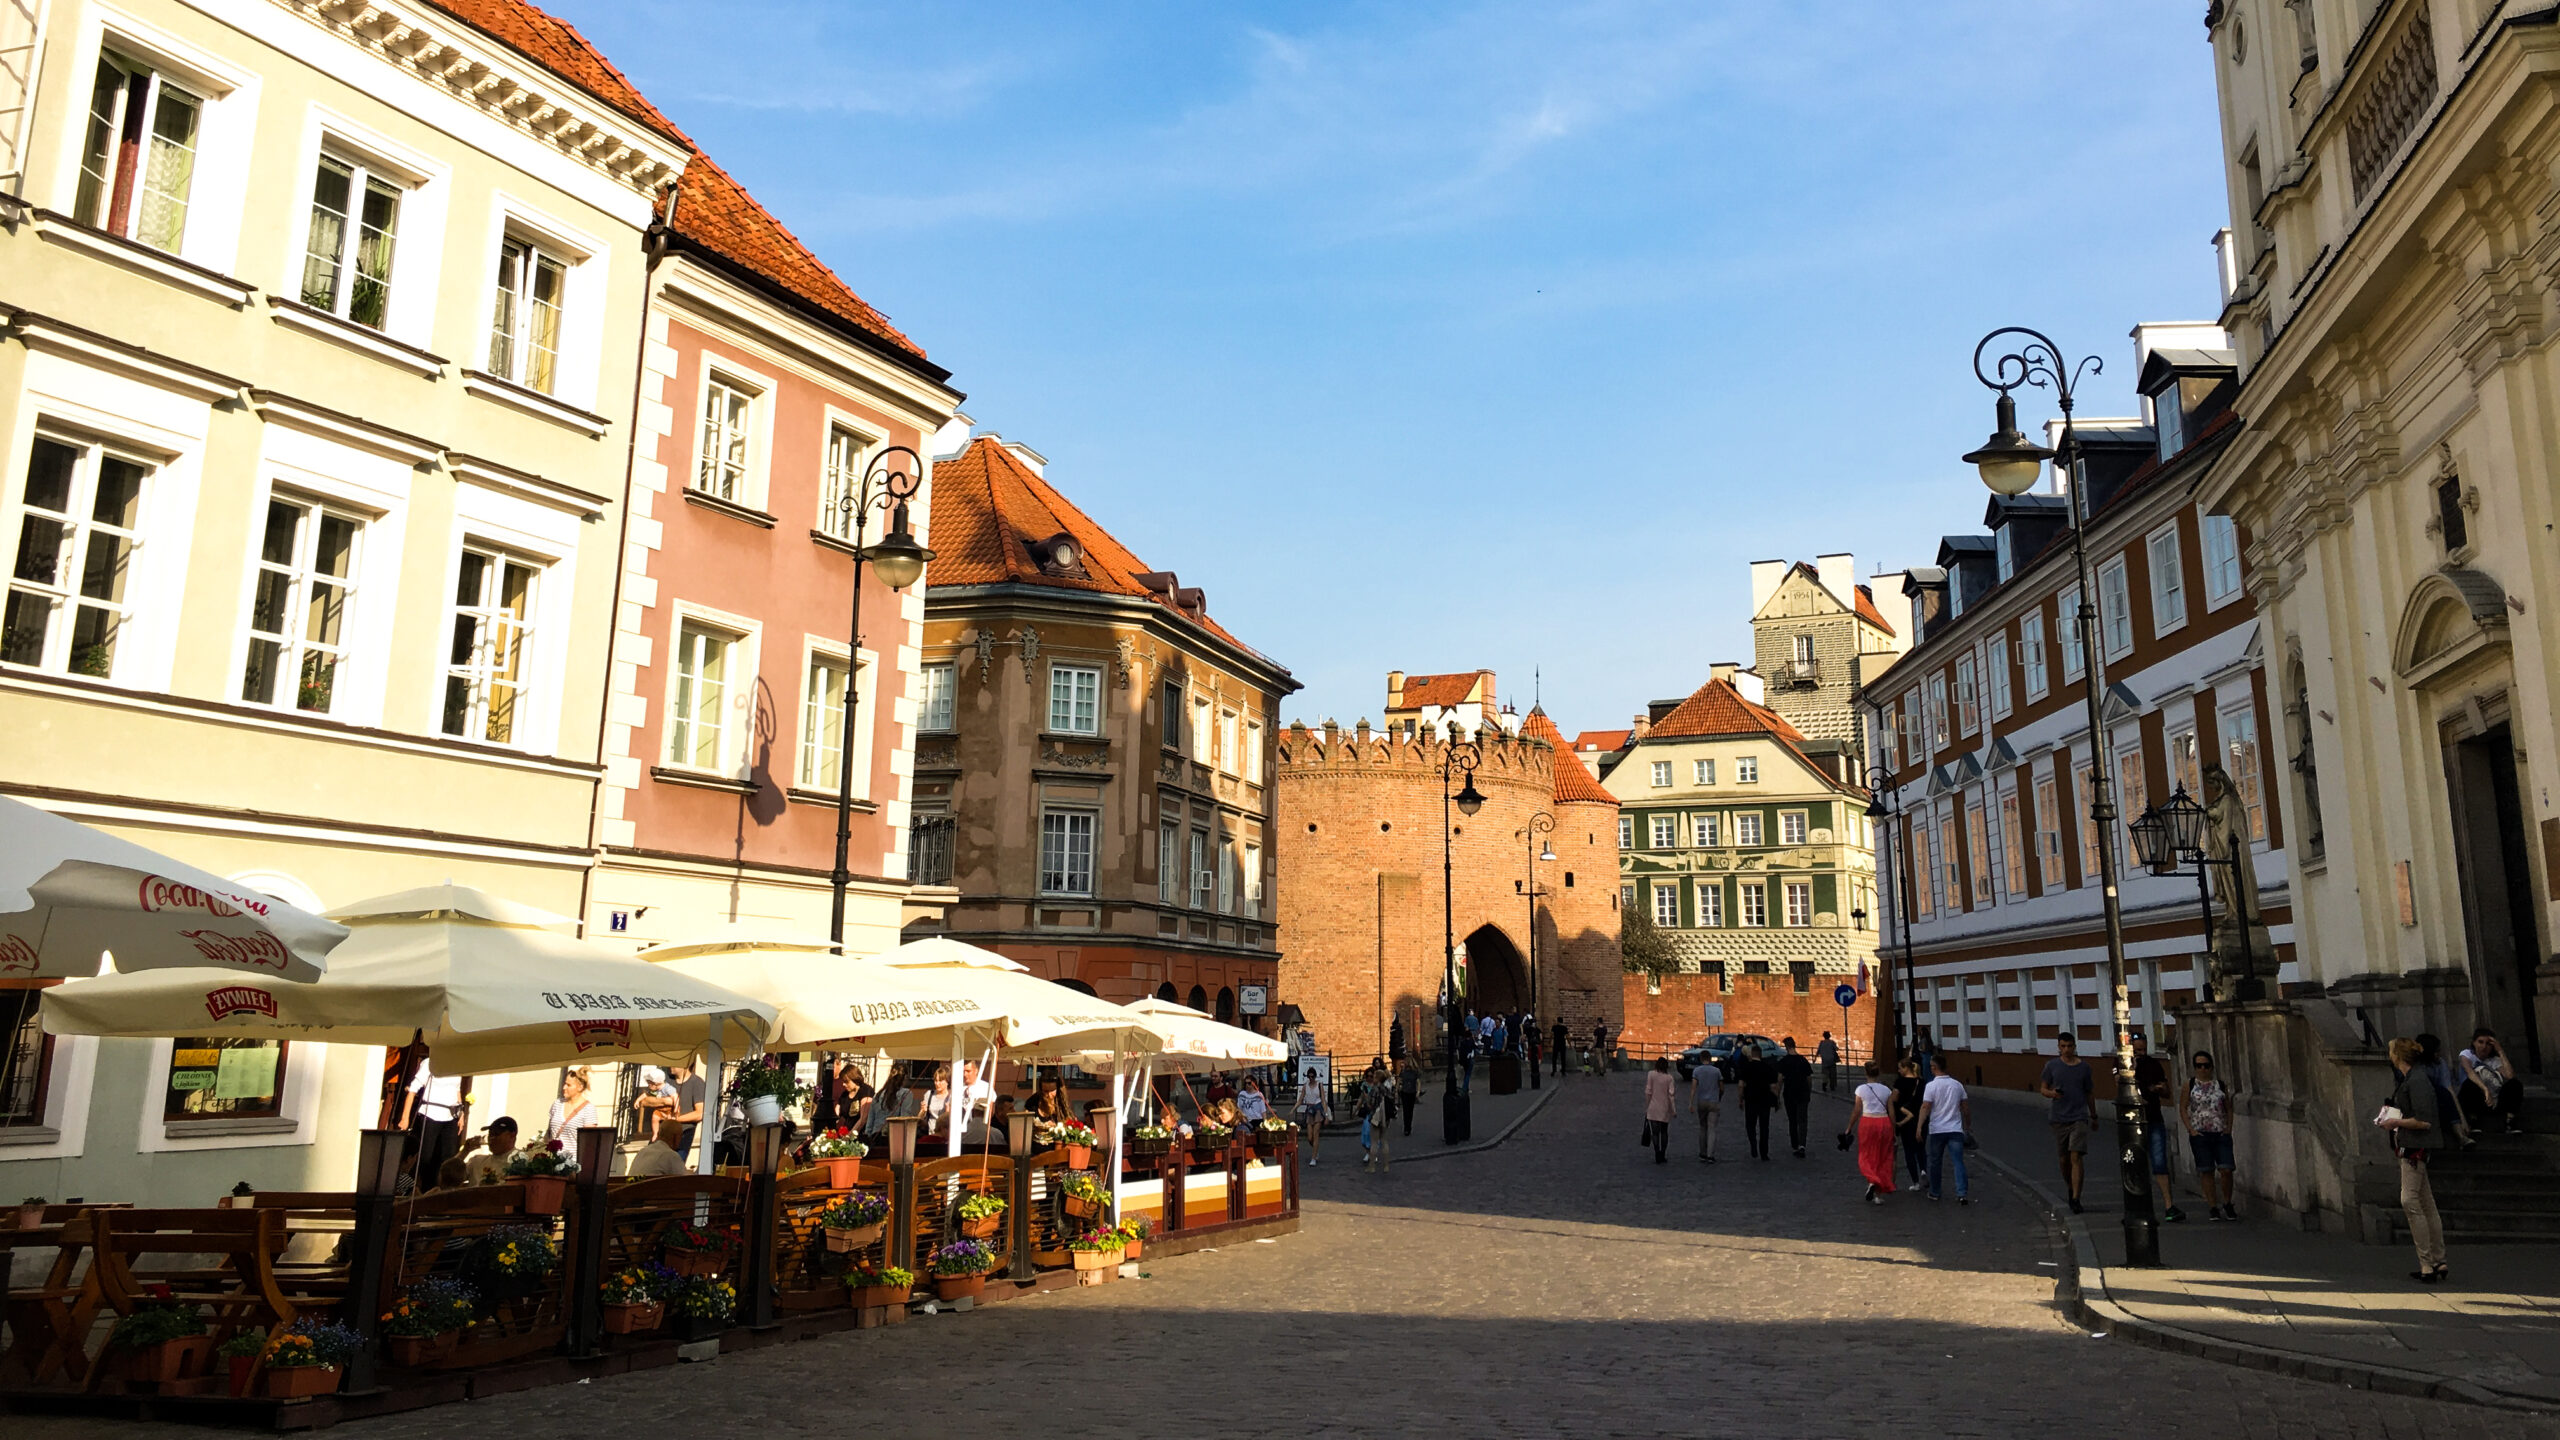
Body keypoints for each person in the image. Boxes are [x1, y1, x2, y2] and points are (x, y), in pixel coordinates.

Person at [2381, 1036, 2449, 1283]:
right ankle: (2437, 1259)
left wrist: (2395, 1121)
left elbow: (2424, 1120)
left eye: (2392, 1051)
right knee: (2425, 1201)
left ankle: (2427, 1263)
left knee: (2410, 1200)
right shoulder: (2413, 1078)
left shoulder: (2417, 1080)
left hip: (2414, 1146)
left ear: (2398, 1055)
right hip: (2413, 1143)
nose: (2390, 1055)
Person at [2038, 1033, 2096, 1213]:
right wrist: (2052, 1094)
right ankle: (2070, 1186)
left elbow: (2089, 1092)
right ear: (2058, 1047)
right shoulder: (2052, 1066)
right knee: (2064, 1160)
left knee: (2076, 1156)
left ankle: (2076, 1197)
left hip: (2079, 1116)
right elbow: (2043, 1088)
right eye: (2063, 1046)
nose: (2066, 1050)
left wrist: (2094, 1115)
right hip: (2059, 1118)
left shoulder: (2084, 1067)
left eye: (2069, 1046)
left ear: (2074, 1046)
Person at [2131, 1033, 2184, 1222]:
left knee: (2160, 1163)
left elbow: (2167, 1092)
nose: (2141, 1053)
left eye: (2143, 1049)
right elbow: (2121, 1085)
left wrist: (2160, 1089)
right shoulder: (2123, 1065)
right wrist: (2132, 1068)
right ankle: (2138, 1207)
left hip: (2154, 1117)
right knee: (2135, 1164)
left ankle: (2169, 1206)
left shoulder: (2153, 1064)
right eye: (2137, 1050)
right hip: (2133, 1122)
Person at [2181, 1050, 2238, 1221]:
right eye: (2199, 1066)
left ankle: (2227, 1202)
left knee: (2226, 1169)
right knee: (2207, 1171)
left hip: (2220, 1132)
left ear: (2211, 1067)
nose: (2202, 1069)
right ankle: (2213, 1206)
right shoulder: (2190, 1085)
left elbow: (2228, 1107)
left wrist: (2228, 1128)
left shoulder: (2219, 1085)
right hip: (2200, 1133)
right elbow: (2183, 1107)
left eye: (2206, 1065)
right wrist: (2191, 1129)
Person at [403, 1058, 467, 1187]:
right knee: (425, 1157)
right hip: (430, 1114)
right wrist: (405, 1118)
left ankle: (442, 1189)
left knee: (448, 1157)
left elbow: (457, 1090)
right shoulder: (430, 1062)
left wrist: (461, 1113)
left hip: (451, 1116)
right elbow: (413, 1089)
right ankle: (414, 1187)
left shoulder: (457, 1063)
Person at [1917, 1055, 1970, 1204]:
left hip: (1937, 1129)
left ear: (1934, 1067)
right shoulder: (1957, 1085)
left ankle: (1935, 1192)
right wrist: (1967, 1125)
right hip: (1955, 1129)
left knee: (1935, 1162)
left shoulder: (1931, 1086)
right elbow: (1965, 1108)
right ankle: (1962, 1193)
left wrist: (1919, 1126)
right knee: (1958, 1162)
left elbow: (1926, 1107)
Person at [1843, 1062, 1898, 1204]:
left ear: (1866, 1073)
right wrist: (1893, 1130)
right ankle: (1878, 1195)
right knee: (1883, 1156)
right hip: (1884, 1122)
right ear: (1878, 1073)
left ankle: (1872, 1180)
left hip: (1868, 1122)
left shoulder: (1861, 1089)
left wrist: (1849, 1127)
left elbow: (1856, 1111)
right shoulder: (1886, 1090)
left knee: (1866, 1154)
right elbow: (1891, 1112)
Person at [2459, 1028, 2525, 1135]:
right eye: (2480, 1042)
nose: (2484, 1047)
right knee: (2469, 1084)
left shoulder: (2494, 1060)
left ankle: (2509, 1120)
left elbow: (2510, 1076)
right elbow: (2470, 1072)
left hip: (2495, 1100)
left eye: (2488, 1044)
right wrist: (2485, 1089)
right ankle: (2473, 1120)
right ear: (2474, 1042)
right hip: (2476, 1098)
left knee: (2515, 1084)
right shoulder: (2467, 1054)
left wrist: (2500, 1051)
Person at [1737, 1042, 1779, 1161]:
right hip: (1765, 1100)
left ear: (1752, 1054)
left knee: (1750, 1125)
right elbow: (1773, 1087)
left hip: (1750, 1100)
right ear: (1761, 1054)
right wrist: (1777, 1100)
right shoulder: (1768, 1067)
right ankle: (1764, 1152)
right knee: (1764, 1126)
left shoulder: (1746, 1067)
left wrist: (1740, 1099)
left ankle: (1753, 1145)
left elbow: (1740, 1085)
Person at [1891, 1057, 1928, 1191]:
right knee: (1921, 1147)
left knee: (1908, 1151)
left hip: (1905, 1120)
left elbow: (1894, 1100)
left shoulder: (1900, 1082)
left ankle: (1915, 1182)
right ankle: (1923, 1169)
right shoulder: (1922, 1082)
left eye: (1900, 1068)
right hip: (1921, 1118)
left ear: (1906, 1068)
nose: (1899, 1071)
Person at [543, 1067, 597, 1151]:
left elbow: (589, 1143)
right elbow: (549, 1133)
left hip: (574, 1158)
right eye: (565, 1084)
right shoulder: (557, 1104)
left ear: (580, 1087)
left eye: (568, 1085)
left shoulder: (588, 1109)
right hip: (554, 1158)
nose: (564, 1087)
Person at [1777, 1037, 1814, 1158]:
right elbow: (1809, 1078)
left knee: (1792, 1120)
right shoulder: (1803, 1060)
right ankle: (1802, 1145)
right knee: (1802, 1120)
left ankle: (1795, 1144)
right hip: (1803, 1093)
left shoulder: (1784, 1061)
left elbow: (1780, 1080)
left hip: (1789, 1094)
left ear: (1786, 1047)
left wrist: (1777, 1095)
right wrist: (1809, 1091)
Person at [1359, 1059, 1396, 1172]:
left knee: (1374, 1142)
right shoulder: (1387, 1089)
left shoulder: (1375, 1090)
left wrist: (1367, 1100)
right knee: (1384, 1141)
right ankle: (1386, 1166)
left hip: (1376, 1117)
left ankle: (1372, 1166)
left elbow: (1370, 1105)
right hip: (1386, 1117)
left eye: (1374, 1076)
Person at [464, 1116, 520, 1184]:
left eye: (496, 1134)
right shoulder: (476, 1161)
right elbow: (452, 1176)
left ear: (512, 1136)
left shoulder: (524, 1162)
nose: (491, 1138)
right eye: (490, 1134)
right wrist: (465, 1151)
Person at [1691, 1045, 1724, 1162]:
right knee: (1712, 1128)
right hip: (1713, 1101)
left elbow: (1693, 1088)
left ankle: (1702, 1153)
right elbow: (1721, 1087)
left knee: (1702, 1127)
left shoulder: (1696, 1071)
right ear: (1710, 1059)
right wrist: (1719, 1096)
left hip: (1701, 1101)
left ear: (1701, 1059)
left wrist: (1691, 1103)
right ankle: (1710, 1154)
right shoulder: (1716, 1071)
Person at [1642, 1057, 1676, 1164]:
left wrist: (1647, 1106)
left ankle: (1657, 1152)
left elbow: (1648, 1091)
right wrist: (1673, 1110)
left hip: (1653, 1107)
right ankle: (1663, 1153)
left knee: (1655, 1133)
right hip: (1664, 1108)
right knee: (1664, 1132)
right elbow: (1671, 1095)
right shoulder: (1669, 1078)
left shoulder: (1651, 1074)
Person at [669, 1062, 707, 1156]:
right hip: (663, 1134)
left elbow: (699, 1114)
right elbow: (646, 1100)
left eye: (675, 1061)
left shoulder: (697, 1082)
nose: (671, 1065)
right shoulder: (667, 1080)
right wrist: (663, 1101)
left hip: (683, 1134)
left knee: (676, 1162)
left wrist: (675, 1119)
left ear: (686, 1064)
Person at [1295, 1071, 1331, 1166]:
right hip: (1310, 1110)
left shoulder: (1319, 1085)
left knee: (1316, 1133)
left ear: (1315, 1076)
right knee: (1309, 1137)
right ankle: (1316, 1149)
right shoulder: (1305, 1086)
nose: (1311, 1078)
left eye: (1312, 1076)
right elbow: (1300, 1099)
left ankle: (1313, 1158)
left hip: (1318, 1109)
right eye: (1309, 1076)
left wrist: (1326, 1115)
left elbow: (1323, 1100)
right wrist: (1293, 1109)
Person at [1396, 1057, 1420, 1138]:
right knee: (1406, 1110)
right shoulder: (1403, 1071)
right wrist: (1396, 1090)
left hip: (1412, 1092)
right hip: (1405, 1092)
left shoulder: (1414, 1072)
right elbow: (1399, 1080)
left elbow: (1418, 1082)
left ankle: (1408, 1125)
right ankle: (1407, 1127)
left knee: (1410, 1110)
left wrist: (1418, 1091)